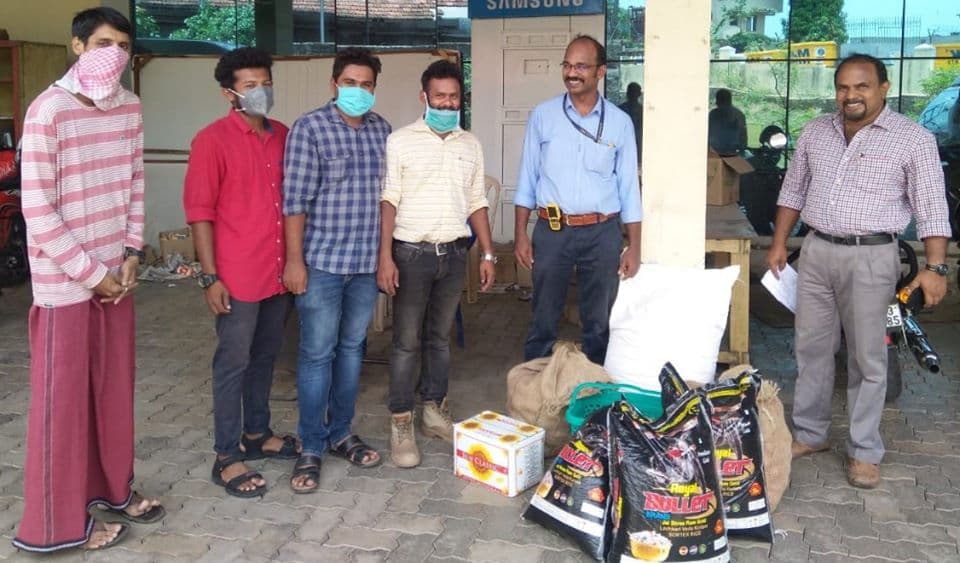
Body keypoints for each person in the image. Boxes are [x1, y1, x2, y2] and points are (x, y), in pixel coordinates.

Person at [13, 7, 164, 552]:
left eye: (123, 46)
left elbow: (134, 182)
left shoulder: (129, 106)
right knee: (62, 406)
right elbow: (38, 208)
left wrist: (128, 254)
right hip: (65, 287)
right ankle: (53, 527)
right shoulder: (47, 111)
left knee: (111, 392)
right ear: (77, 46)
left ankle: (109, 489)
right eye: (103, 43)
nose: (114, 55)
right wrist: (91, 274)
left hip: (113, 279)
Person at [766, 54, 951, 489]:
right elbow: (793, 189)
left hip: (873, 256)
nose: (851, 95)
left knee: (868, 356)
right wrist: (778, 243)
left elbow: (931, 208)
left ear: (883, 87)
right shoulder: (816, 131)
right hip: (816, 252)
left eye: (862, 86)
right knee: (811, 348)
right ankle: (811, 434)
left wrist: (936, 267)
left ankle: (864, 449)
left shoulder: (913, 139)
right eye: (844, 87)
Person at [183, 47, 298, 499]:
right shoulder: (211, 140)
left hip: (276, 273)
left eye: (265, 83)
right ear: (229, 93)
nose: (261, 92)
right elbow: (200, 213)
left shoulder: (283, 135)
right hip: (236, 275)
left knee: (267, 356)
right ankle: (226, 455)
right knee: (233, 362)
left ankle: (257, 434)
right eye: (251, 86)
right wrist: (211, 277)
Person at [283, 48, 392, 492]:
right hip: (322, 263)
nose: (358, 91)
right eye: (351, 83)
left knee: (352, 350)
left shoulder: (382, 130)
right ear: (334, 84)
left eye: (366, 85)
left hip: (365, 265)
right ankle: (310, 444)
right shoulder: (309, 129)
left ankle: (340, 433)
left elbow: (389, 200)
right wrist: (294, 261)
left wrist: (386, 257)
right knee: (316, 354)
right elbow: (294, 202)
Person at [378, 60, 495, 468]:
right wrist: (384, 257)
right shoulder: (400, 141)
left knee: (440, 340)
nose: (447, 103)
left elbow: (477, 201)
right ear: (423, 97)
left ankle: (433, 411)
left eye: (453, 97)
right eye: (439, 96)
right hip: (411, 255)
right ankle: (401, 421)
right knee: (406, 342)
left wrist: (488, 252)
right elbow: (388, 199)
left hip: (454, 255)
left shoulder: (470, 144)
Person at [514, 35, 642, 366]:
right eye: (568, 65)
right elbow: (527, 178)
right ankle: (532, 387)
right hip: (552, 230)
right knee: (543, 317)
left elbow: (629, 188)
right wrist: (520, 236)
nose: (572, 73)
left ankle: (595, 391)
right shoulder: (543, 116)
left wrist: (635, 246)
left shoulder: (619, 123)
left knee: (598, 322)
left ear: (600, 71)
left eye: (581, 66)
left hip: (602, 234)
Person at [708, 88, 747, 155]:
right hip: (725, 152)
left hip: (724, 152)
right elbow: (743, 136)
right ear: (730, 100)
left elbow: (743, 135)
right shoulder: (739, 114)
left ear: (717, 100)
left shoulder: (712, 114)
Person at [619, 82, 643, 165]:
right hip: (622, 145)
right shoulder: (619, 110)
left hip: (638, 146)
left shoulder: (643, 111)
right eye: (631, 92)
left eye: (635, 92)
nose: (633, 95)